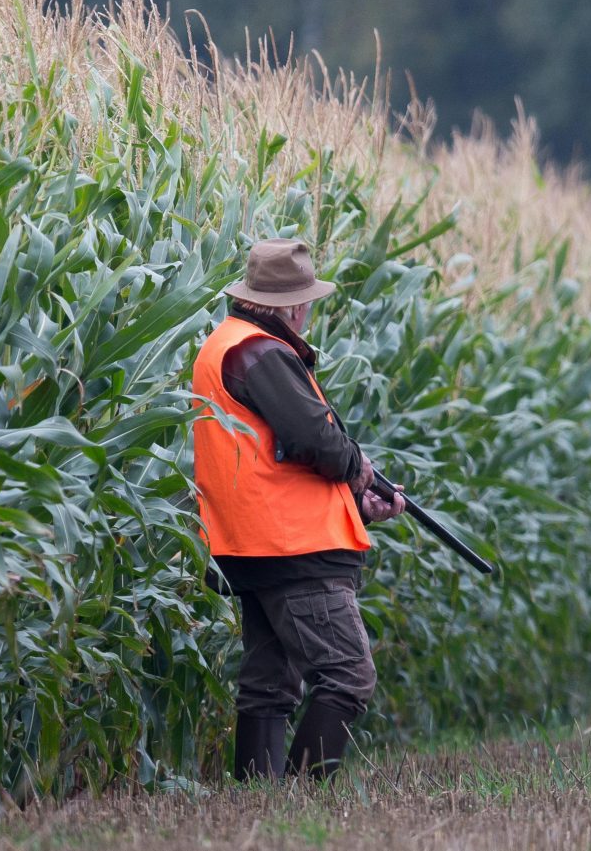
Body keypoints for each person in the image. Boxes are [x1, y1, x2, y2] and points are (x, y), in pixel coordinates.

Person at [193, 237, 404, 782]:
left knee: (269, 684)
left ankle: (257, 803)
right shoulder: (259, 352)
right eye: (306, 300)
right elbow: (317, 439)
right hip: (294, 548)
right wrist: (355, 465)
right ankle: (302, 799)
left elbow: (274, 456)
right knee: (348, 676)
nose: (308, 311)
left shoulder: (230, 345)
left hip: (254, 545)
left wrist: (361, 499)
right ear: (290, 305)